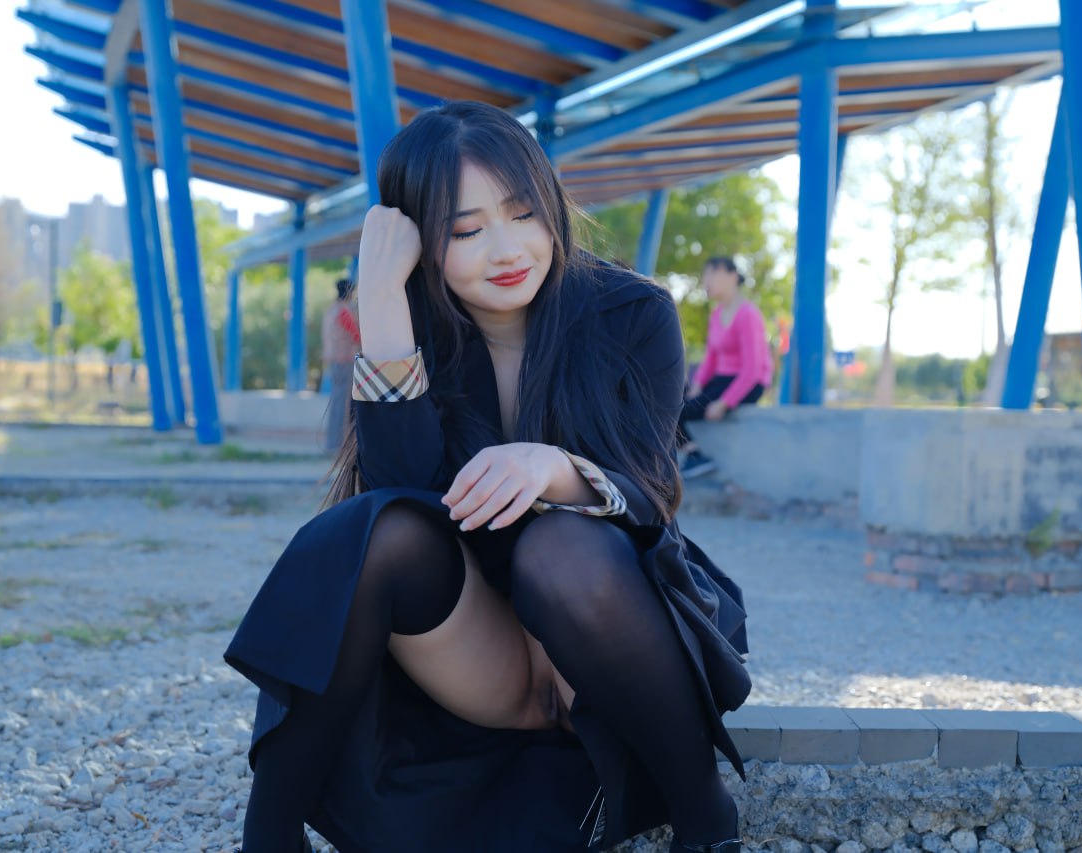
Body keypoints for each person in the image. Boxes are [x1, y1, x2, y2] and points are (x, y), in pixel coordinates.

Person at [225, 101, 751, 853]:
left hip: (608, 632)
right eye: (465, 230)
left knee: (558, 548)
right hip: (477, 656)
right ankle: (270, 833)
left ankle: (705, 818)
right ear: (417, 238)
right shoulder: (412, 329)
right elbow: (402, 495)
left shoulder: (632, 313)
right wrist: (381, 300)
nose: (506, 249)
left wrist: (556, 469)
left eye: (523, 214)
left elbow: (651, 492)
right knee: (367, 531)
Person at [676, 257, 773, 479]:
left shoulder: (748, 314)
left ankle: (695, 455)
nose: (706, 281)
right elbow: (711, 358)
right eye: (705, 275)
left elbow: (753, 370)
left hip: (748, 383)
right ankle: (691, 453)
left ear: (732, 276)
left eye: (711, 273)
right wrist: (697, 385)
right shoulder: (717, 314)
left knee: (678, 410)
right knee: (669, 396)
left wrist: (724, 402)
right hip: (721, 378)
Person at [322, 277, 361, 452]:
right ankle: (337, 443)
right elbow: (356, 335)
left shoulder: (331, 310)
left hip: (333, 360)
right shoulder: (344, 311)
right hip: (345, 360)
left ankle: (333, 442)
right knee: (342, 403)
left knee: (336, 401)